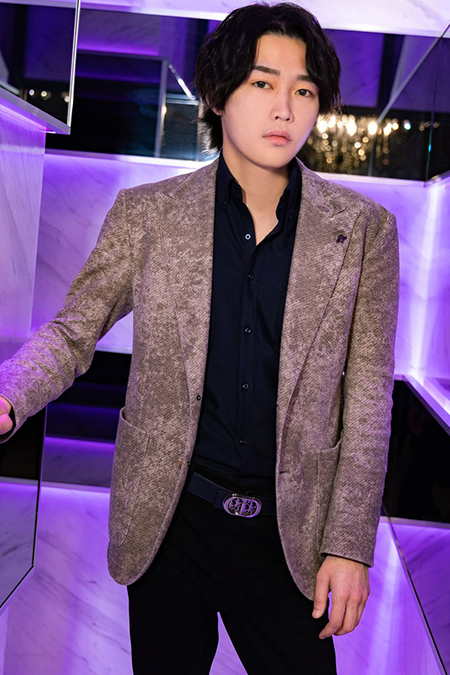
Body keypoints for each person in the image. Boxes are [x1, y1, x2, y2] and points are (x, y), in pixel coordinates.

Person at [0, 2, 399, 673]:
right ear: (218, 94)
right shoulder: (149, 215)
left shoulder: (364, 231)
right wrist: (9, 396)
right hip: (171, 520)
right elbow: (73, 333)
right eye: (262, 83)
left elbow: (366, 403)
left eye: (303, 91)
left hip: (289, 533)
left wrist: (350, 544)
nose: (284, 109)